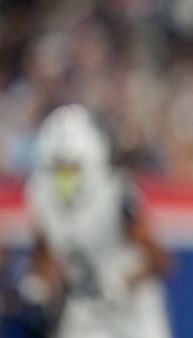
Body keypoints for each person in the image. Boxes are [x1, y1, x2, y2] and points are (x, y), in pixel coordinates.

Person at [24, 104, 173, 338]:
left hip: (134, 315)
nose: (65, 178)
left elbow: (162, 260)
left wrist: (124, 281)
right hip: (85, 314)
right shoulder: (41, 196)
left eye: (71, 169)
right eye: (58, 169)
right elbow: (43, 253)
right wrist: (39, 286)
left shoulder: (117, 196)